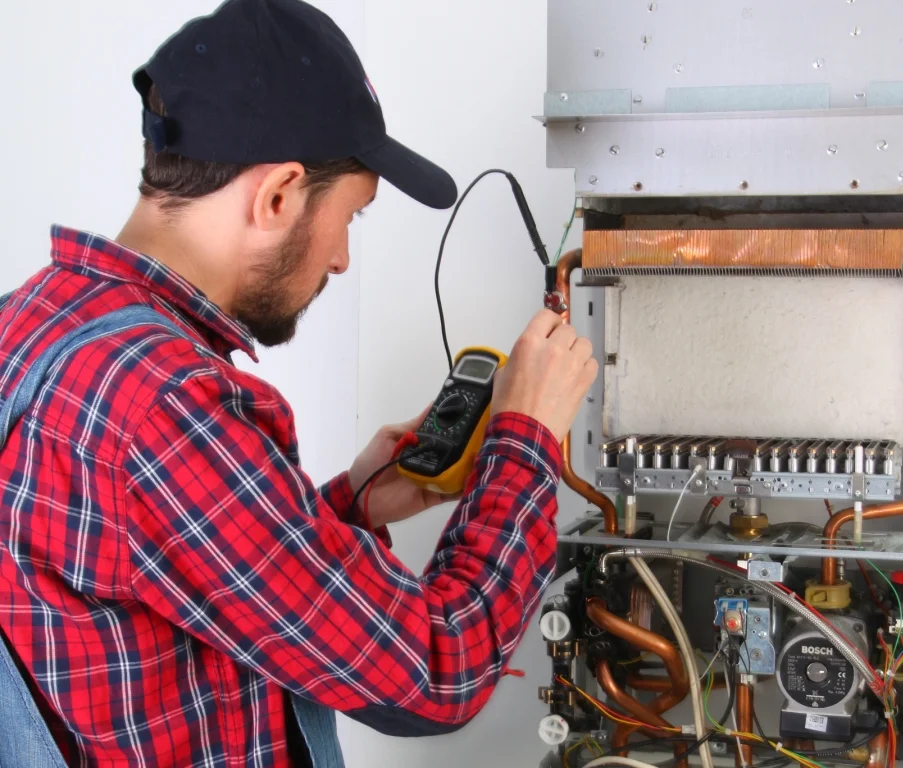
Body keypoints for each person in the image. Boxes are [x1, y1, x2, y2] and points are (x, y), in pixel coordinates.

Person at [0, 1, 597, 766]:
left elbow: (154, 572)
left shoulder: (36, 322)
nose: (343, 258)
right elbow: (438, 672)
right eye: (351, 216)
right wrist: (527, 441)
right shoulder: (163, 404)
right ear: (278, 195)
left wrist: (345, 506)